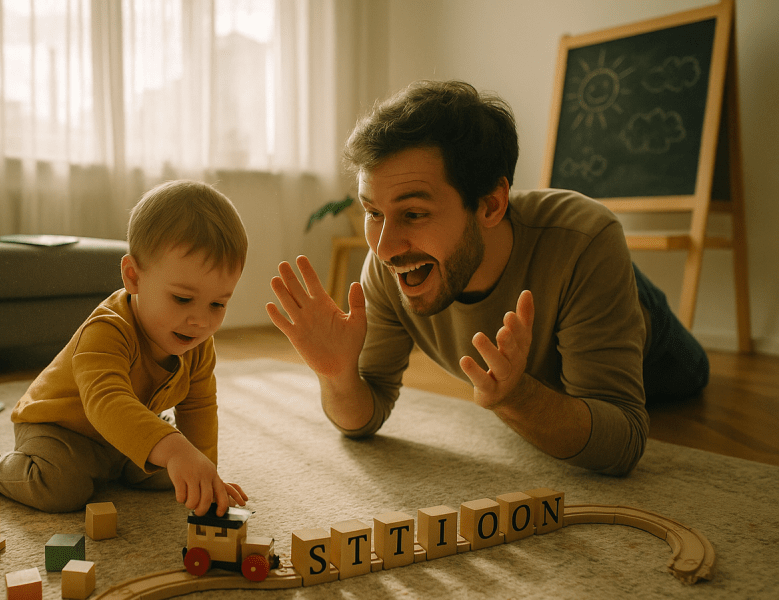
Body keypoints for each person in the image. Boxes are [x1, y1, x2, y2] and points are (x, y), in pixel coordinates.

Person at [267, 80, 709, 477]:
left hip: (659, 355)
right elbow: (365, 414)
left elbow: (625, 439)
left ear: (492, 205)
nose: (383, 247)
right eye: (373, 212)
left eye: (414, 213)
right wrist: (339, 374)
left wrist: (517, 397)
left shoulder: (585, 240)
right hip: (552, 369)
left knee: (695, 378)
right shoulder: (390, 268)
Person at [0, 179, 250, 515]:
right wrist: (175, 450)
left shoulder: (198, 344)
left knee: (175, 473)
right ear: (133, 276)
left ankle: (121, 464)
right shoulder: (106, 330)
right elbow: (107, 403)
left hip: (124, 432)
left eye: (218, 304)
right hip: (60, 428)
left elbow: (200, 407)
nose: (200, 322)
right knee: (62, 488)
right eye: (182, 299)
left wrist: (203, 469)